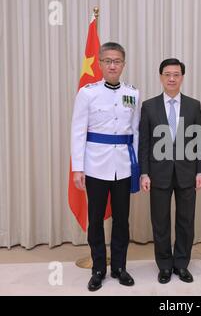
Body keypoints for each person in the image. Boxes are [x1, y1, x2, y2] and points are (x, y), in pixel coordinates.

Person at [71, 42, 139, 291]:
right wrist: (78, 167)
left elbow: (137, 131)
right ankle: (98, 267)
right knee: (96, 219)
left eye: (117, 61)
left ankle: (120, 267)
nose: (112, 65)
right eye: (108, 61)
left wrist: (137, 166)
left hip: (123, 166)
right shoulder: (87, 93)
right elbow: (78, 131)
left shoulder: (133, 93)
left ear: (123, 64)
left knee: (122, 220)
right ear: (99, 63)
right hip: (96, 165)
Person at [139, 58, 201, 284]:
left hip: (187, 173)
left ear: (182, 77)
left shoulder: (193, 105)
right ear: (160, 77)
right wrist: (144, 173)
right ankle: (165, 266)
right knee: (160, 222)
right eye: (167, 74)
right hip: (158, 173)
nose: (171, 78)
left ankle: (181, 264)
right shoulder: (149, 106)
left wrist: (200, 171)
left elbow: (199, 138)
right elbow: (145, 143)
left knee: (186, 221)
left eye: (176, 74)